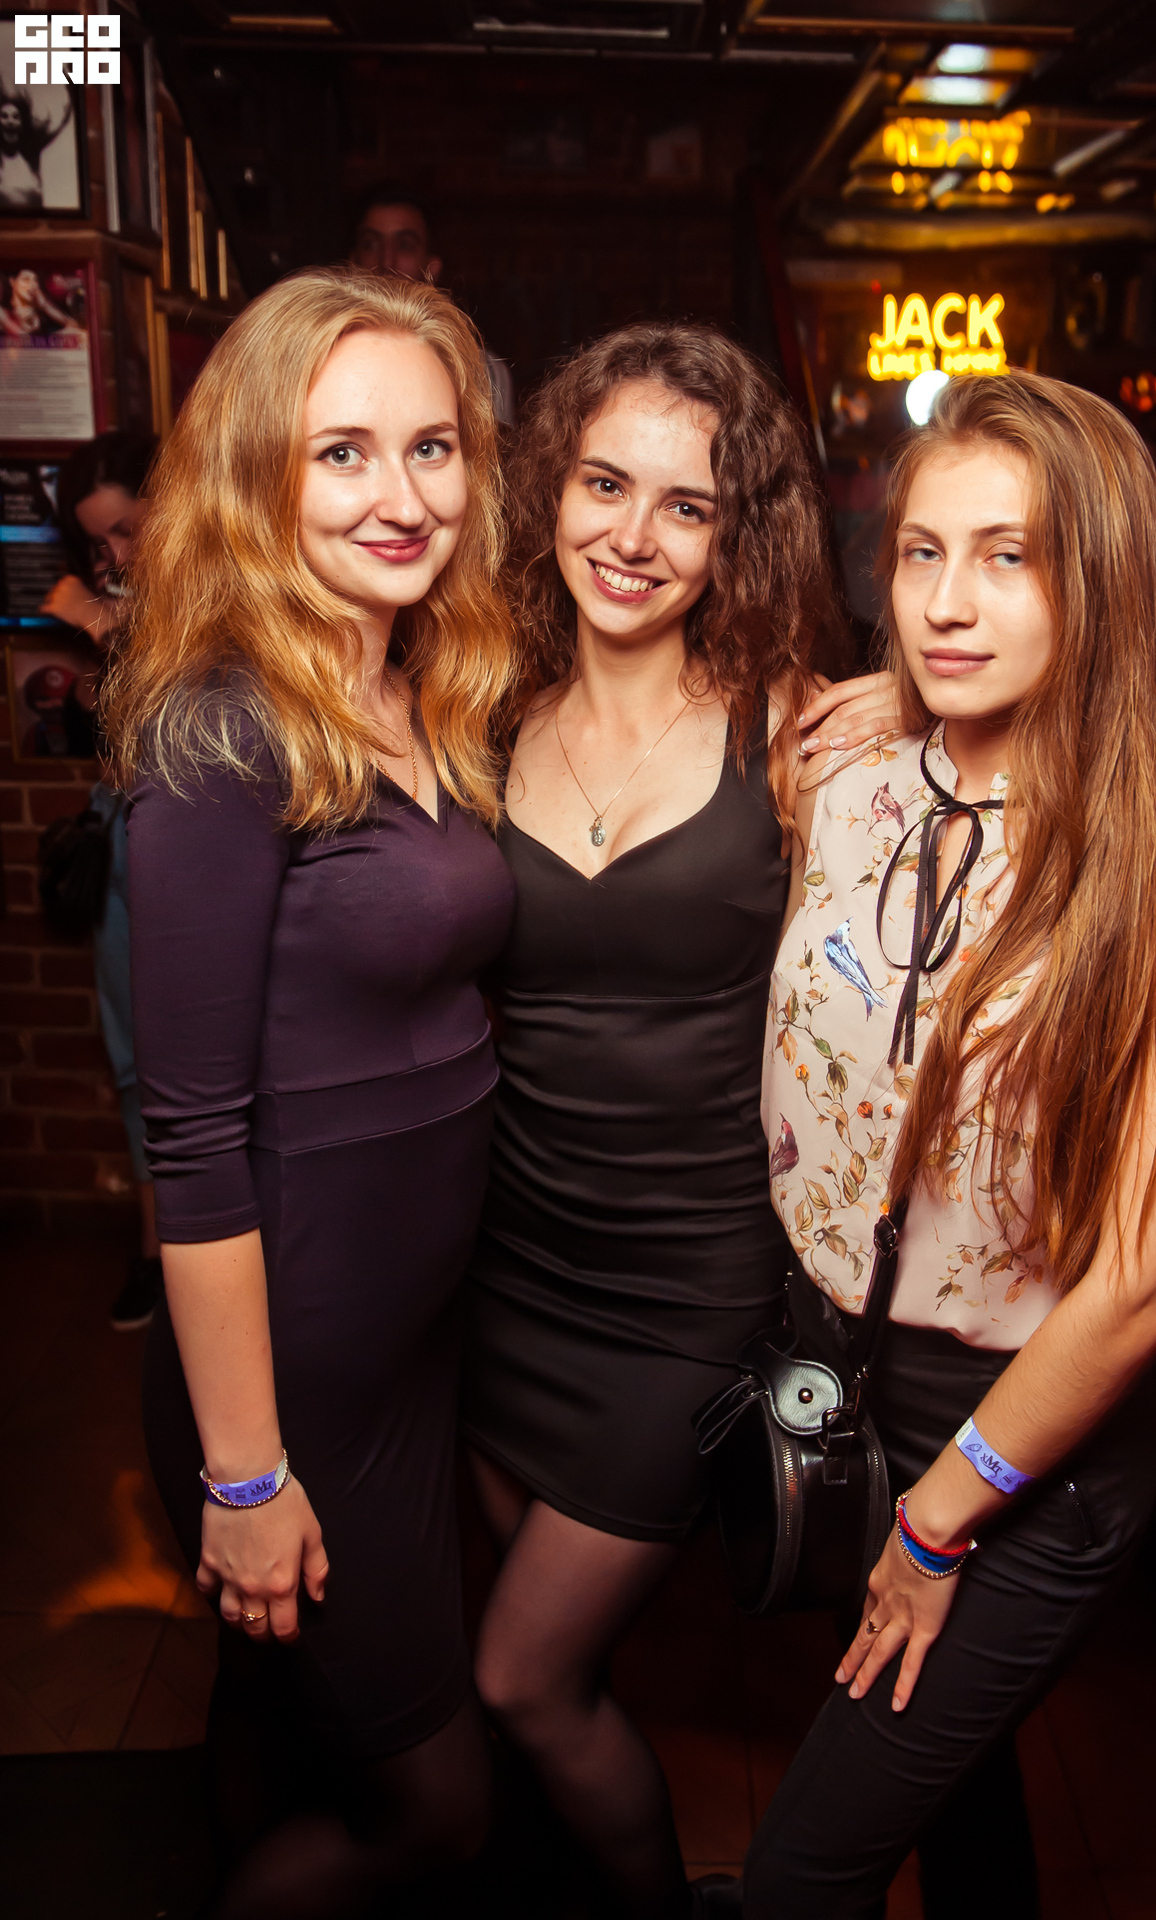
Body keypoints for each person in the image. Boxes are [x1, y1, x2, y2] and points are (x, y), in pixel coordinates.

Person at [745, 370, 1156, 1918]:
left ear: (1095, 580)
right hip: (842, 1382)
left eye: (1006, 557)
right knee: (955, 1803)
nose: (945, 604)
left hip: (1026, 1446)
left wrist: (938, 1525)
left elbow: (1142, 1288)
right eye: (921, 553)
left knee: (799, 1875)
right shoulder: (841, 778)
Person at [462, 320, 896, 1920]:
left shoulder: (792, 733)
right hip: (503, 1268)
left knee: (522, 1676)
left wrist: (922, 705)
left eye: (686, 506)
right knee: (537, 1661)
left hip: (684, 1289)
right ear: (549, 492)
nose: (632, 537)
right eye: (603, 485)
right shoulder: (477, 713)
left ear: (736, 535)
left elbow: (1010, 800)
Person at [103, 267, 519, 1918]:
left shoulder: (425, 689)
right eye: (342, 453)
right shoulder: (220, 732)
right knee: (437, 1806)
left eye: (432, 449)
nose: (399, 496)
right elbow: (193, 1143)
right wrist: (246, 1475)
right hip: (291, 1390)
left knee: (278, 1718)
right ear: (259, 473)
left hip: (409, 1351)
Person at [43, 430, 160, 1330]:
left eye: (126, 530)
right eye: (98, 543)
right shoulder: (118, 600)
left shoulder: (224, 582)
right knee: (132, 1062)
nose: (114, 557)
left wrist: (100, 626)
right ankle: (157, 1252)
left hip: (190, 837)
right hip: (121, 832)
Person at [349, 181, 516, 426]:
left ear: (431, 268)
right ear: (353, 263)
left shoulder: (482, 370)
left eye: (404, 245)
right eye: (371, 244)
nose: (386, 261)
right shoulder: (324, 360)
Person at [0, 87, 72, 213]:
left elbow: (64, 119)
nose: (10, 121)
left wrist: (73, 87)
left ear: (22, 123)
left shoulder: (30, 155)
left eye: (16, 117)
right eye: (4, 116)